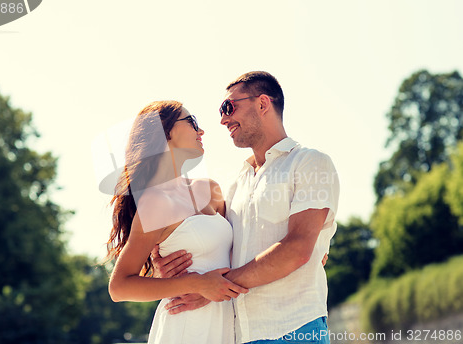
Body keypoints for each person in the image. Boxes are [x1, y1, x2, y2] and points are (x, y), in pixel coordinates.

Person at [152, 71, 340, 344]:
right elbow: (217, 248)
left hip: (296, 329)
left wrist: (213, 287)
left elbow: (298, 250)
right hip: (237, 334)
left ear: (262, 104)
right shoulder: (235, 184)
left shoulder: (310, 163)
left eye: (229, 107)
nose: (223, 119)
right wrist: (166, 269)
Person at [106, 100, 248, 344]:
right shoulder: (155, 202)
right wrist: (194, 283)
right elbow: (119, 287)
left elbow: (237, 255)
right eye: (192, 122)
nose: (201, 131)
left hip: (227, 325)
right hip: (183, 327)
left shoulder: (210, 189)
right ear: (165, 131)